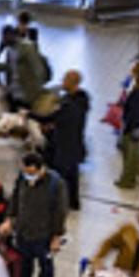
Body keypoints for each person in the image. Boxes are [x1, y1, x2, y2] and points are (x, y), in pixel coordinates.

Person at [0, 153, 67, 277]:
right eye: (25, 171)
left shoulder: (56, 184)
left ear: (41, 169)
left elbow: (61, 211)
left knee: (45, 269)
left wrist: (56, 237)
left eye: (31, 172)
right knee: (25, 264)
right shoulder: (22, 179)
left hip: (44, 235)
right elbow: (15, 199)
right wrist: (9, 220)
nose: (28, 175)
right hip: (23, 232)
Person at [47, 70, 89, 210]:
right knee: (73, 175)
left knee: (61, 176)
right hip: (76, 143)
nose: (62, 82)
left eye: (65, 80)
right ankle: (73, 202)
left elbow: (52, 117)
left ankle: (59, 204)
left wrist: (29, 115)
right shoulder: (82, 100)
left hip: (64, 145)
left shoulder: (69, 105)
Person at [115, 62, 139, 189]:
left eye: (132, 71)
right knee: (133, 155)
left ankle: (127, 182)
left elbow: (134, 112)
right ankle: (133, 178)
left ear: (137, 73)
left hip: (133, 128)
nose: (130, 73)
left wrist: (127, 127)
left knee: (130, 157)